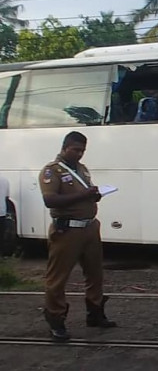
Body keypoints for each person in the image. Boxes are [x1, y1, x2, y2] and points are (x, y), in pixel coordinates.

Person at [39, 131, 116, 341]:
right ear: (65, 148)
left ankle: (95, 313)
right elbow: (50, 200)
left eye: (82, 150)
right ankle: (56, 320)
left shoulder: (81, 169)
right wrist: (84, 194)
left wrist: (95, 195)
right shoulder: (51, 171)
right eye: (75, 150)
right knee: (58, 278)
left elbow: (85, 193)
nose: (80, 154)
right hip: (67, 230)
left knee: (95, 273)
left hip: (89, 228)